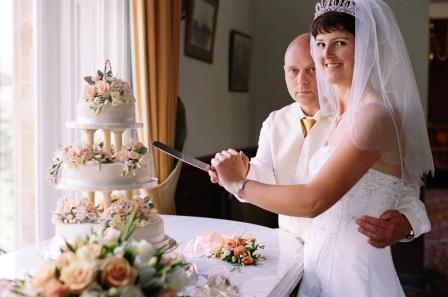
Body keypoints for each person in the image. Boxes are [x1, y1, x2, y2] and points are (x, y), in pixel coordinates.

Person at [210, 0, 434, 296]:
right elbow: (267, 172)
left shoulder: (372, 115)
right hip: (297, 261)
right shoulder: (283, 121)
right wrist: (244, 171)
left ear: (366, 48)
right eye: (320, 44)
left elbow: (394, 188)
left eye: (340, 43)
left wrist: (238, 184)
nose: (325, 56)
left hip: (352, 272)